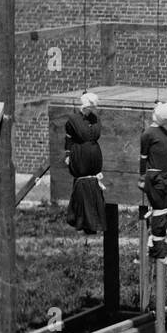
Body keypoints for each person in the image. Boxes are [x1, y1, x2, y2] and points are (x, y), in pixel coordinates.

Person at [65, 91, 106, 234]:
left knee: (94, 189)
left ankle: (94, 222)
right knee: (83, 188)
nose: (94, 110)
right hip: (81, 157)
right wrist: (68, 154)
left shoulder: (95, 119)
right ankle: (81, 220)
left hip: (93, 159)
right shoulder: (73, 120)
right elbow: (69, 138)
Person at [141, 102, 167, 265]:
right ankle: (158, 249)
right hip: (156, 177)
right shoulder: (149, 134)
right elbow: (143, 158)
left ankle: (154, 245)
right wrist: (142, 178)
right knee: (160, 212)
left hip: (162, 176)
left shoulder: (162, 132)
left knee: (162, 211)